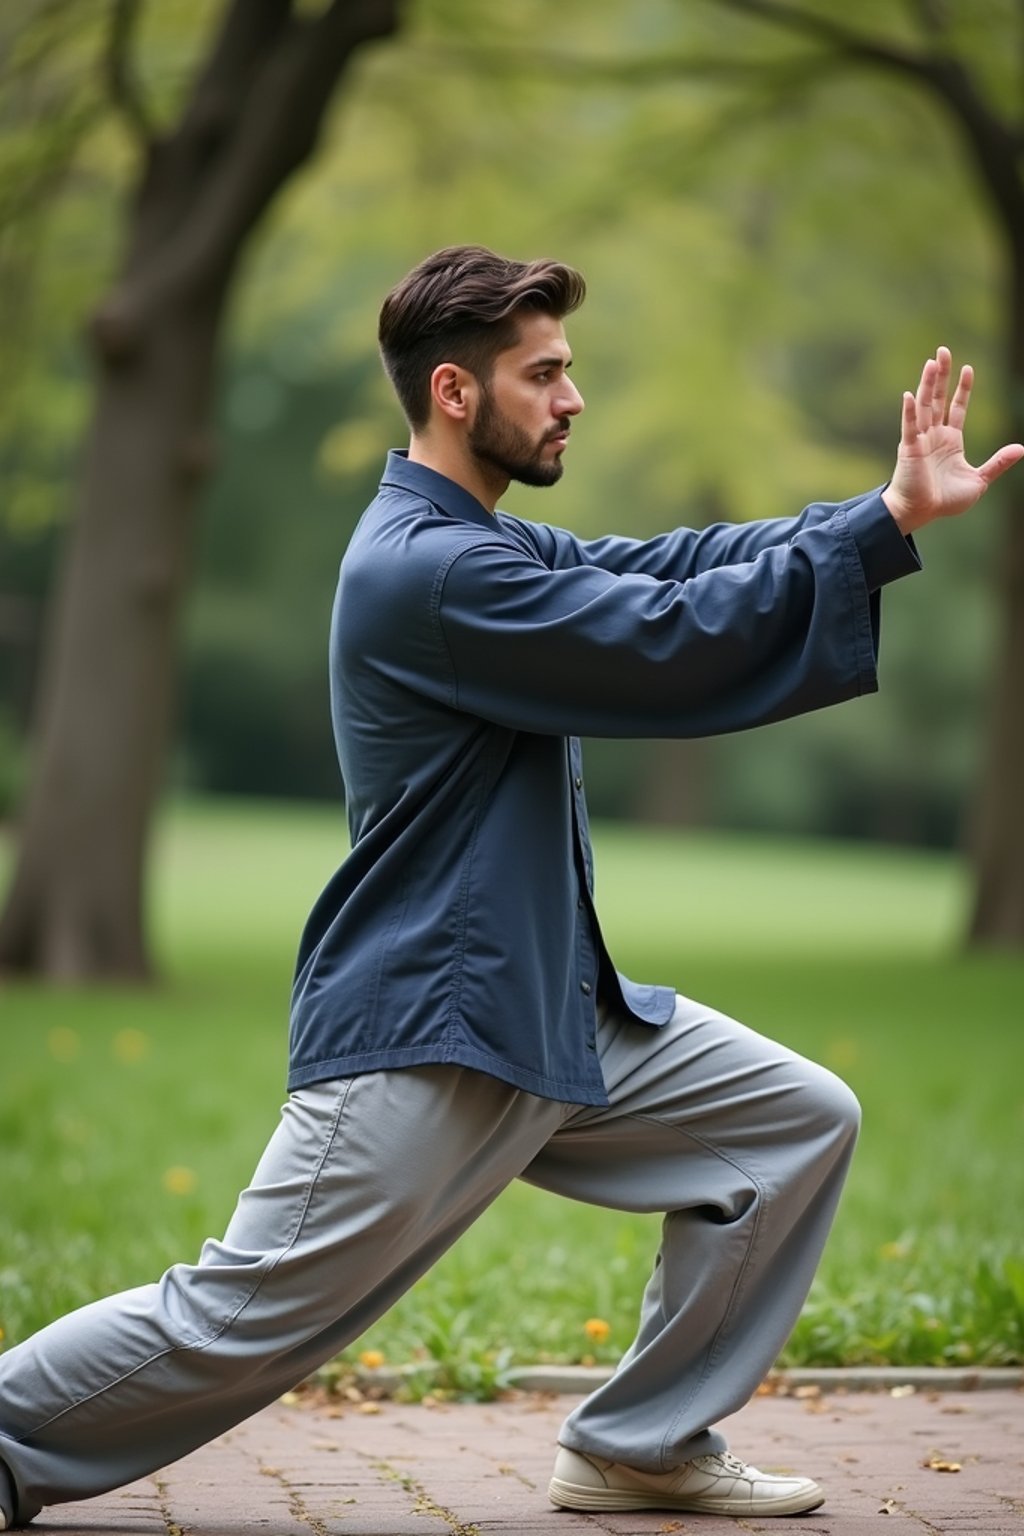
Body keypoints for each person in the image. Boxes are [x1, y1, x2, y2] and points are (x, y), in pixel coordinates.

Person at [0, 246, 1020, 1529]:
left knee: (788, 1125)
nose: (571, 397)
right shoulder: (428, 572)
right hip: (435, 1025)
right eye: (543, 373)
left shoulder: (473, 540)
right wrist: (872, 537)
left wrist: (877, 516)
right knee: (239, 1316)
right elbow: (661, 646)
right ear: (455, 393)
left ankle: (640, 1444)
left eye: (569, 371)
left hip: (546, 1009)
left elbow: (664, 567)